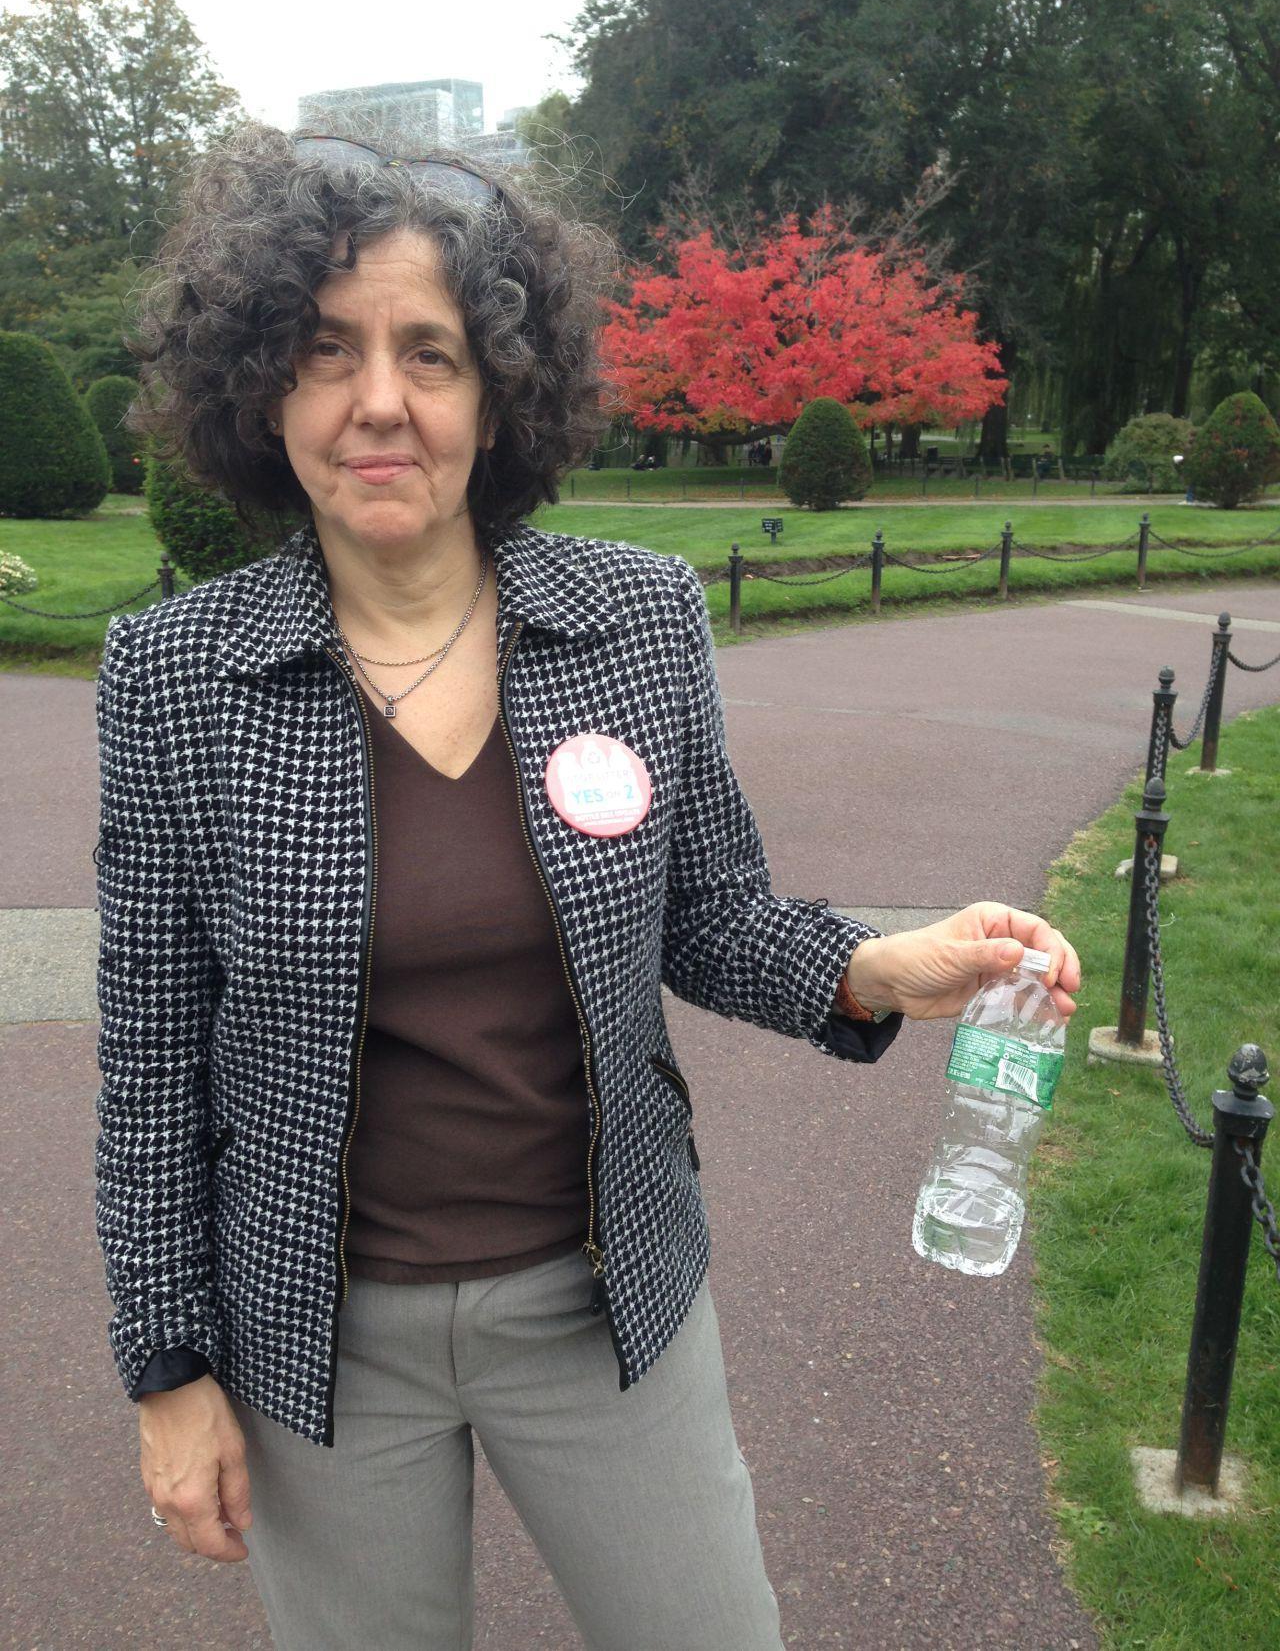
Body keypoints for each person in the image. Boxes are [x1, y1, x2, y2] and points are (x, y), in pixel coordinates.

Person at [94, 122, 1082, 1651]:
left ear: (498, 389)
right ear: (258, 386)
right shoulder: (175, 673)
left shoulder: (632, 615)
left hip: (604, 1294)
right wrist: (167, 1368)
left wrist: (883, 963)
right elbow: (149, 1053)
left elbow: (712, 913)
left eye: (429, 354)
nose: (377, 401)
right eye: (324, 351)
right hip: (318, 1332)